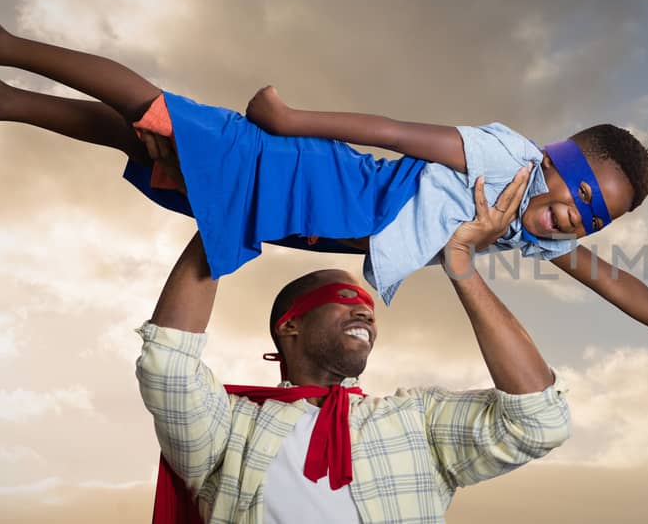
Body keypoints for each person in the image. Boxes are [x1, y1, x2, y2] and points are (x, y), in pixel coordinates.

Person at [0, 18, 648, 380]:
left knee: (157, 150)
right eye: (579, 195)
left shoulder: (528, 235)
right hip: (308, 173)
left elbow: (616, 284)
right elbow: (399, 132)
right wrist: (290, 118)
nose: (575, 219)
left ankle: (2, 98)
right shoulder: (505, 159)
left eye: (592, 218)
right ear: (556, 164)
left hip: (299, 218)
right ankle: (3, 44)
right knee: (159, 113)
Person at [139, 162, 568, 522]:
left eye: (369, 306)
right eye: (345, 299)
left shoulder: (416, 420)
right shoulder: (230, 430)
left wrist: (461, 266)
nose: (365, 311)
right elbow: (168, 366)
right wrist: (225, 212)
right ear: (290, 325)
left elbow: (537, 421)